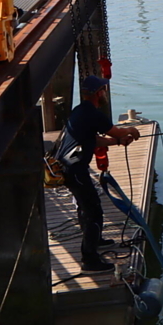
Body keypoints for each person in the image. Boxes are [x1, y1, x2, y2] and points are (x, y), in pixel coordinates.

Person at [56, 76, 141, 273]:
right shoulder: (94, 114)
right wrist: (130, 131)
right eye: (103, 89)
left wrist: (118, 142)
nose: (105, 93)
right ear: (98, 93)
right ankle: (90, 260)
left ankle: (96, 240)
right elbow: (118, 132)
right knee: (93, 211)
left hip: (68, 166)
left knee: (86, 206)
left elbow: (93, 140)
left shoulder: (80, 111)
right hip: (75, 168)